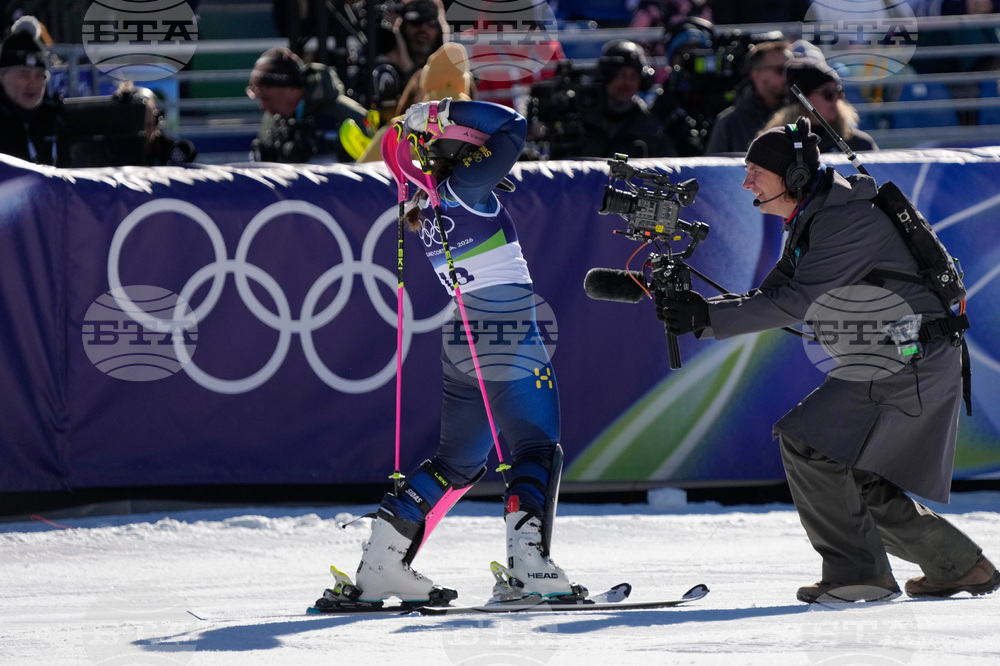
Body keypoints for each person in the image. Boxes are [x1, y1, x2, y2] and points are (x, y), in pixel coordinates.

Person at [657, 117, 999, 604]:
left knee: (809, 443)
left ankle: (859, 574)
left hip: (906, 358)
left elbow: (795, 301)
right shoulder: (815, 216)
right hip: (899, 355)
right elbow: (775, 292)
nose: (746, 181)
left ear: (792, 178)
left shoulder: (844, 219)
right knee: (853, 474)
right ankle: (961, 566)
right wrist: (699, 312)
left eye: (755, 170)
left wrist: (708, 320)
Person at [313, 98, 582, 609]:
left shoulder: (430, 200)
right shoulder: (466, 190)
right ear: (470, 153)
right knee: (537, 446)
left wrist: (419, 127)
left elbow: (420, 152)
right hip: (505, 327)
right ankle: (530, 569)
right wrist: (440, 110)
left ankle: (380, 567)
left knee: (457, 462)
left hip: (463, 330)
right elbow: (513, 124)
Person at [546, 40, 676, 160]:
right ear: (606, 76)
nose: (627, 83)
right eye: (621, 75)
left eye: (633, 77)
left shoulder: (649, 128)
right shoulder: (579, 114)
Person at [355, 41, 475, 163]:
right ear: (464, 87)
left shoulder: (399, 127)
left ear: (426, 86)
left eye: (419, 91)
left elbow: (362, 176)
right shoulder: (482, 125)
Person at [247, 46, 368, 163]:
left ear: (292, 89)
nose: (264, 107)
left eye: (268, 98)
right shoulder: (272, 118)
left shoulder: (349, 116)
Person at [761, 57, 877, 154]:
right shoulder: (775, 145)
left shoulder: (859, 144)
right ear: (803, 100)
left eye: (839, 91)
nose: (836, 100)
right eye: (828, 93)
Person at [703, 40, 790, 155]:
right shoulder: (730, 123)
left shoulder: (803, 114)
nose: (788, 77)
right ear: (756, 74)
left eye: (791, 70)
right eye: (780, 70)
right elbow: (715, 170)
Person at [0, 15, 65, 166]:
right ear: (2, 77)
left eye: (39, 76)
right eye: (23, 75)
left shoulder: (54, 122)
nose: (33, 83)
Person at [112, 83, 197, 166]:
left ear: (156, 122)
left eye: (149, 125)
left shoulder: (172, 154)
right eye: (138, 126)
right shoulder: (111, 153)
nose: (144, 133)